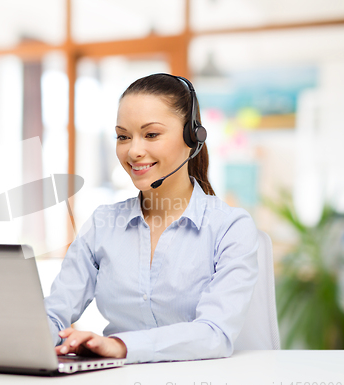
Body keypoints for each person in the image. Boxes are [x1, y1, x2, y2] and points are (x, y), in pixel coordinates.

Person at [44, 73, 259, 364]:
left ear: (191, 137)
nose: (133, 151)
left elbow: (215, 334)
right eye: (123, 136)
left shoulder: (229, 227)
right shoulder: (102, 224)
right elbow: (54, 312)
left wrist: (121, 346)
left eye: (151, 134)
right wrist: (37, 336)